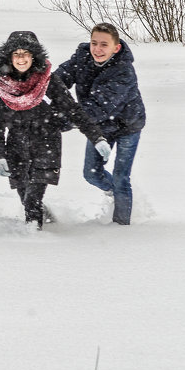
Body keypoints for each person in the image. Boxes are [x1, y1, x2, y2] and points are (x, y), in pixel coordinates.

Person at [0, 31, 111, 230]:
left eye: (25, 53)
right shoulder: (3, 85)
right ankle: (51, 224)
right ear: (9, 57)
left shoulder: (48, 81)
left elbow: (73, 110)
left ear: (34, 56)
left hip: (45, 147)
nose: (21, 59)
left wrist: (97, 138)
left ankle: (34, 242)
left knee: (32, 201)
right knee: (24, 198)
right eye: (16, 54)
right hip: (16, 150)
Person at [54, 23, 146, 225]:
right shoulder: (82, 57)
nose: (97, 49)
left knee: (121, 177)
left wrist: (60, 122)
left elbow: (97, 107)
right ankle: (116, 193)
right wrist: (36, 93)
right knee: (91, 173)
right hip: (101, 126)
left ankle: (121, 226)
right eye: (94, 43)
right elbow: (59, 79)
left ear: (116, 47)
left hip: (127, 127)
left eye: (104, 44)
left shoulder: (123, 72)